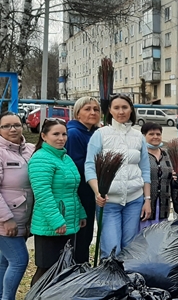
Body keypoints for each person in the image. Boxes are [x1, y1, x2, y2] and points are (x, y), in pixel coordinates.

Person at [85, 94, 151, 257]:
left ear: (131, 110)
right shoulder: (100, 134)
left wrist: (147, 200)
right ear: (110, 111)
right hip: (108, 202)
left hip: (134, 200)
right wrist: (97, 191)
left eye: (125, 107)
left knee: (129, 248)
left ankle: (126, 281)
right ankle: (109, 280)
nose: (121, 111)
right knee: (112, 249)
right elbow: (89, 166)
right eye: (116, 108)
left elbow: (145, 169)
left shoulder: (138, 137)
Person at [28, 118, 86, 285]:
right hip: (51, 225)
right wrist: (56, 220)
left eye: (64, 134)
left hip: (69, 222)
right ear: (44, 136)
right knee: (46, 269)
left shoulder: (65, 158)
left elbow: (72, 190)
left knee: (63, 268)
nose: (61, 138)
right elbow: (43, 194)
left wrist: (80, 212)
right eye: (56, 134)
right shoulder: (41, 158)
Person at [0, 112, 34, 300]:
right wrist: (6, 218)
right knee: (20, 260)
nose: (12, 129)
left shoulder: (30, 150)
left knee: (4, 261)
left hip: (24, 216)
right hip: (6, 218)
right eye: (6, 126)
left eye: (16, 125)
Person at [65, 96, 101, 263]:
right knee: (80, 237)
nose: (92, 112)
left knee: (86, 238)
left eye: (96, 109)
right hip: (81, 192)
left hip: (92, 191)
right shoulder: (73, 134)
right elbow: (76, 164)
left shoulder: (94, 133)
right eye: (87, 109)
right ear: (77, 113)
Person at [139, 122, 174, 231]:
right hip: (145, 204)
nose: (155, 137)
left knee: (160, 236)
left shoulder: (167, 155)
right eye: (151, 134)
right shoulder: (140, 155)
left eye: (158, 134)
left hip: (163, 205)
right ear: (144, 136)